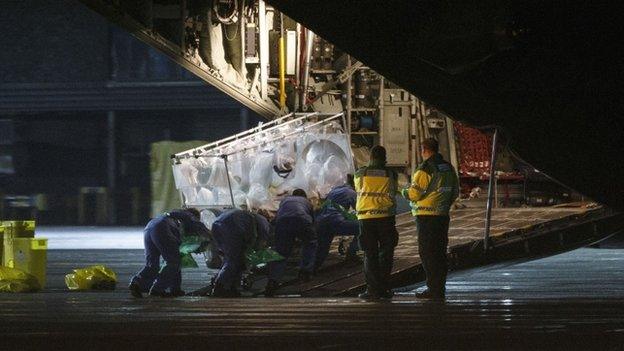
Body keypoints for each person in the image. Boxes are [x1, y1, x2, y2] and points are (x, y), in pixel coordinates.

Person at [401, 138, 459, 299]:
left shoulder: (425, 169)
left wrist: (404, 192)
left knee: (428, 253)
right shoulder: (448, 167)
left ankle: (433, 289)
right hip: (442, 216)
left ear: (424, 149)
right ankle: (439, 287)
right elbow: (455, 192)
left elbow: (414, 194)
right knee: (440, 252)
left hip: (426, 217)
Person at [129, 208, 210, 298]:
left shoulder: (172, 215)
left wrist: (176, 289)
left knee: (152, 264)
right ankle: (157, 289)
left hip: (150, 227)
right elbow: (198, 226)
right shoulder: (188, 215)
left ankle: (137, 283)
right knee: (174, 262)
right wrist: (211, 237)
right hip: (163, 228)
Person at [354, 145, 399, 300]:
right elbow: (394, 191)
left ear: (371, 157)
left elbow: (358, 189)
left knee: (370, 254)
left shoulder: (360, 173)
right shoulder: (391, 174)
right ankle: (384, 289)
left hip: (366, 218)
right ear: (385, 158)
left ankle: (372, 290)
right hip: (386, 217)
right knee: (386, 253)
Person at [265, 189, 316, 296]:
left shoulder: (285, 200)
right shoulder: (306, 202)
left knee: (281, 253)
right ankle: (305, 271)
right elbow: (313, 220)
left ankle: (273, 280)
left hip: (283, 223)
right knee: (310, 243)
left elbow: (279, 216)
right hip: (302, 220)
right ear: (304, 196)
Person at [210, 209, 272, 297]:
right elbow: (261, 242)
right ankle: (220, 285)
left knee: (230, 259)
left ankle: (230, 286)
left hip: (217, 225)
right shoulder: (263, 221)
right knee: (234, 260)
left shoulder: (248, 216)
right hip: (232, 228)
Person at [314, 175, 359, 270]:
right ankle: (351, 254)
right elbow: (359, 210)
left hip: (321, 222)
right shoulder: (351, 193)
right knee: (364, 228)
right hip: (336, 222)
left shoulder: (333, 191)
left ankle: (312, 268)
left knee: (323, 248)